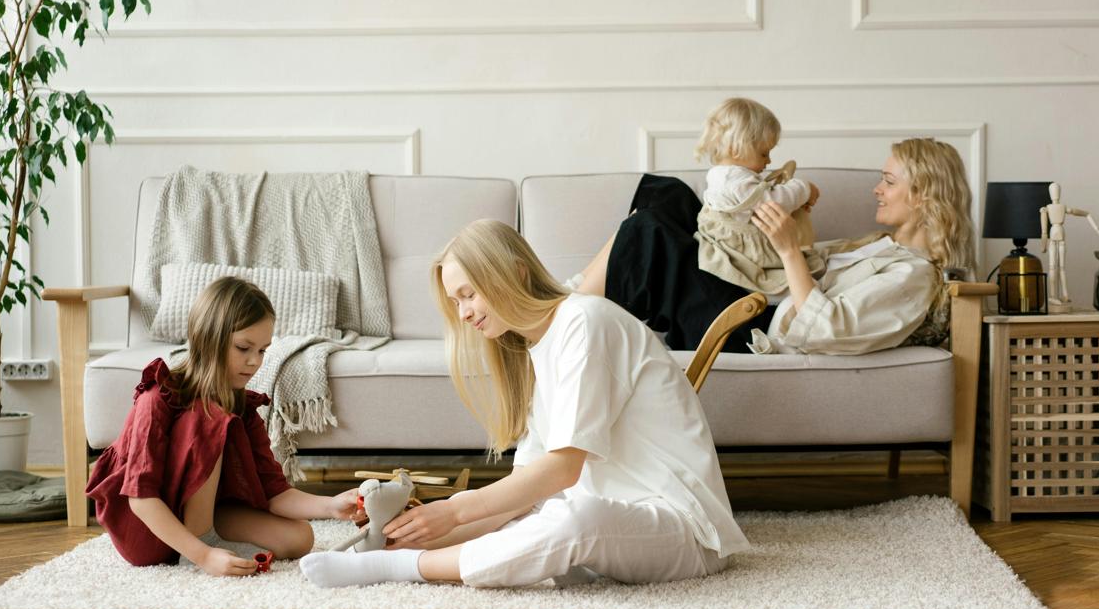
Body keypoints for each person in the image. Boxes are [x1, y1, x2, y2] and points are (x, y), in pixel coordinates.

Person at [298, 219, 748, 589]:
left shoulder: (585, 322)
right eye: (456, 301)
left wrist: (450, 512)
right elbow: (522, 495)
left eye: (468, 294)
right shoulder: (537, 350)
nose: (464, 313)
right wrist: (420, 533)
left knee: (578, 517)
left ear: (514, 272)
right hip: (614, 520)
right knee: (543, 513)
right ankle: (408, 556)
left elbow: (563, 470)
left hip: (685, 531)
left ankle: (396, 570)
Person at [573, 137, 976, 355]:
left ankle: (565, 317)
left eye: (889, 181)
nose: (877, 189)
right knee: (670, 195)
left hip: (751, 325)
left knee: (649, 229)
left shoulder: (914, 276)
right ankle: (574, 301)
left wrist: (787, 250)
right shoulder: (880, 246)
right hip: (754, 293)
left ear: (924, 195)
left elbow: (827, 327)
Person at [85, 277, 361, 576]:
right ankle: (200, 543)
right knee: (209, 414)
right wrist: (203, 555)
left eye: (262, 351)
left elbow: (276, 494)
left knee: (300, 538)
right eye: (244, 347)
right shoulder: (157, 398)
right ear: (209, 339)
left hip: (204, 513)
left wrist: (331, 505)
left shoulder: (241, 405)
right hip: (146, 530)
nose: (254, 362)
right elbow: (141, 500)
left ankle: (207, 533)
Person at [691, 98, 824, 295]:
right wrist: (804, 189)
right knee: (808, 277)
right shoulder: (734, 179)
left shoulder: (722, 174)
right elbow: (772, 203)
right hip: (743, 256)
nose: (769, 160)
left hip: (728, 245)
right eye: (764, 153)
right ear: (737, 148)